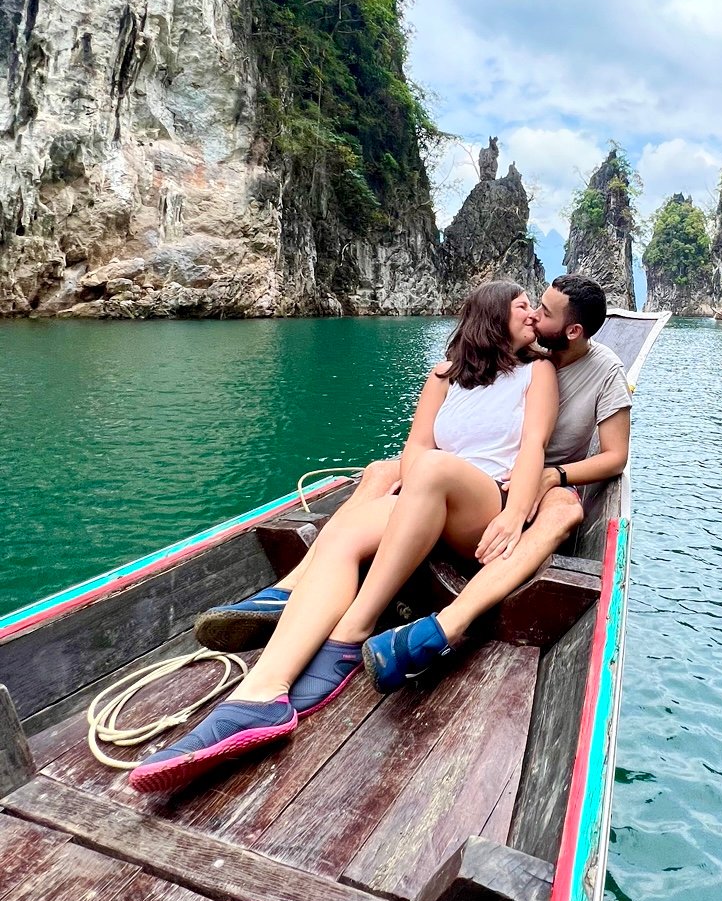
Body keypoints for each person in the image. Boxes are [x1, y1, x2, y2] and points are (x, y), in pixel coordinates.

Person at [128, 280, 557, 795]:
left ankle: (351, 633)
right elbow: (415, 447)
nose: (532, 315)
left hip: (484, 504)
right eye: (523, 306)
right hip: (426, 496)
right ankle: (260, 694)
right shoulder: (443, 376)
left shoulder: (538, 372)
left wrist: (514, 515)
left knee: (435, 468)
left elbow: (532, 448)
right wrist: (407, 499)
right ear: (491, 315)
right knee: (342, 534)